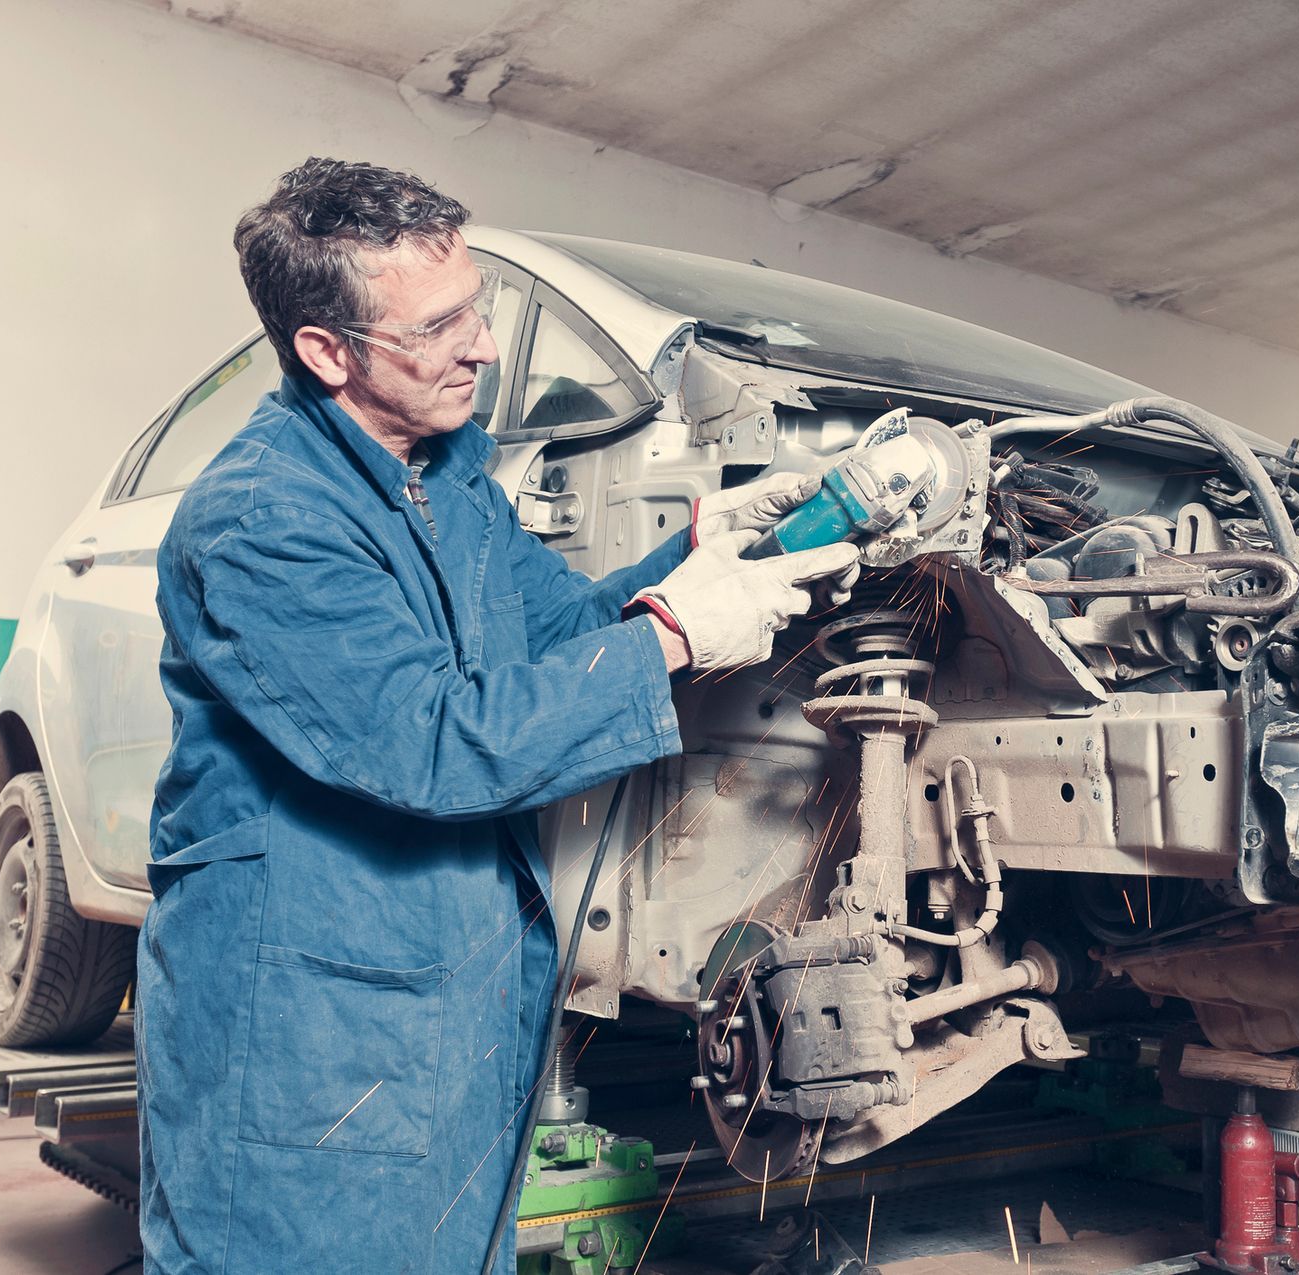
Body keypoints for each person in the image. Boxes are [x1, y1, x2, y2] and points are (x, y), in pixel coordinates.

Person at [135, 157, 858, 1273]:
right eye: (438, 328)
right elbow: (432, 738)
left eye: (477, 308)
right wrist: (675, 638)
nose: (479, 346)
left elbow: (559, 632)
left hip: (439, 1000)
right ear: (328, 352)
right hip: (306, 1028)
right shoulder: (261, 520)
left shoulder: (446, 473)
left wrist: (705, 556)